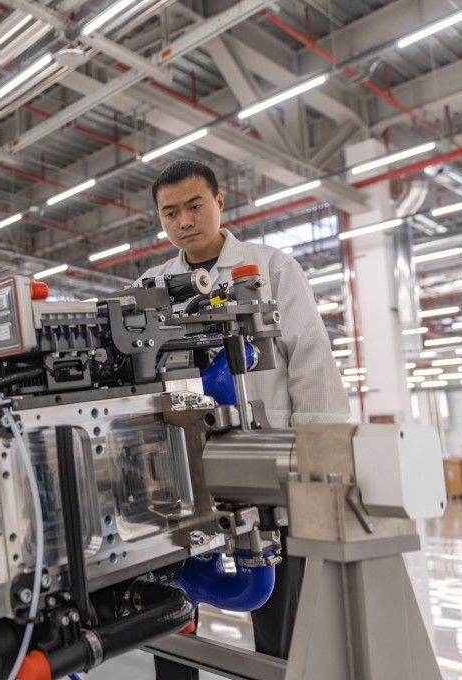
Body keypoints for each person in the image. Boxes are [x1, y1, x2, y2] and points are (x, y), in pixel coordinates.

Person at [138, 159, 350, 678]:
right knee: (172, 607)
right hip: (182, 471)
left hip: (265, 466)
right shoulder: (150, 284)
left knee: (278, 609)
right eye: (170, 212)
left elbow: (312, 363)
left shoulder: (272, 268)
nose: (185, 221)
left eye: (194, 205)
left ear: (219, 202)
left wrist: (318, 468)